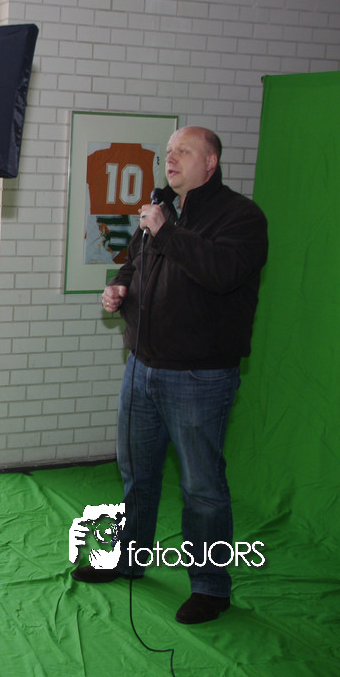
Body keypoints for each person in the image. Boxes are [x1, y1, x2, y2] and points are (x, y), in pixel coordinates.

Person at [73, 126, 269, 625]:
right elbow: (134, 266)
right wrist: (118, 289)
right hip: (142, 369)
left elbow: (222, 274)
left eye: (183, 151)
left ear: (211, 162)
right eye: (168, 152)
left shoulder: (241, 217)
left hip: (200, 379)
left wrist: (165, 231)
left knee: (202, 487)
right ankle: (129, 558)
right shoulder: (161, 212)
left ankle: (210, 587)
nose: (171, 158)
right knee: (136, 474)